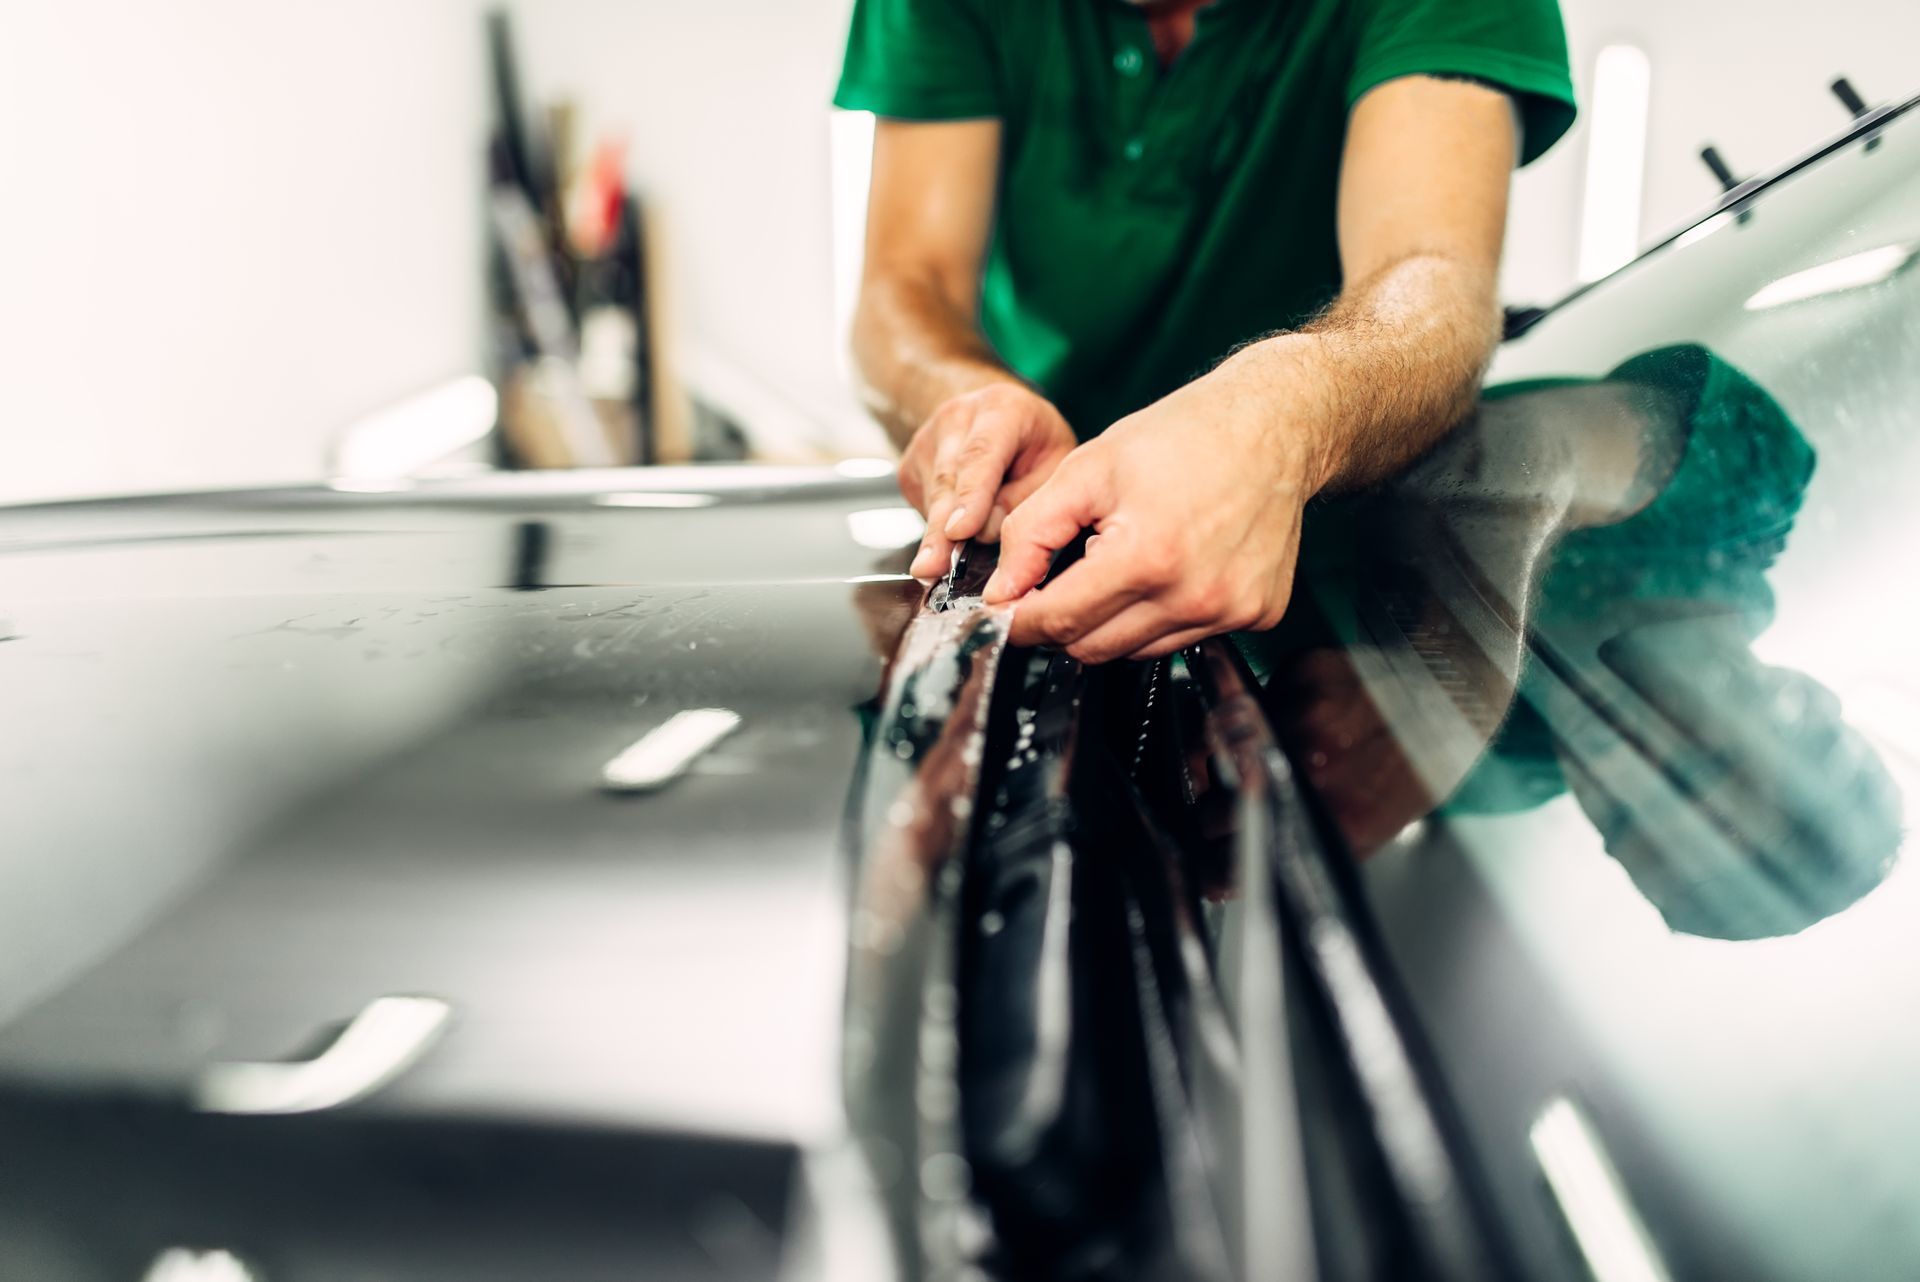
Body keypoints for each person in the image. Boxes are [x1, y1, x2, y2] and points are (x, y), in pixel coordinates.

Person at [836, 0, 1577, 662]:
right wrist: (968, 399)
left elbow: (1434, 276)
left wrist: (1279, 420)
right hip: (1024, 525)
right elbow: (907, 285)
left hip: (1351, 577)